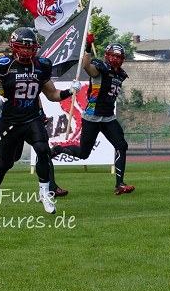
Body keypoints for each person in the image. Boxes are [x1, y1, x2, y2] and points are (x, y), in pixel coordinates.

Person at [0, 27, 80, 219]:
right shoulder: (4, 65)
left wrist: (69, 91)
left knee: (43, 150)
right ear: (14, 46)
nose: (26, 51)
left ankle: (45, 192)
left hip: (32, 118)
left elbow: (52, 95)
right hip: (10, 121)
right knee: (6, 164)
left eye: (30, 48)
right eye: (22, 47)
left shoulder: (41, 65)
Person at [52, 34, 135, 195]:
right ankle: (59, 149)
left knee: (121, 145)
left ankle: (119, 184)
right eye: (113, 56)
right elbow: (86, 66)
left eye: (119, 57)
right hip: (93, 115)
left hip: (109, 116)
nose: (116, 60)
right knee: (84, 154)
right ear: (107, 56)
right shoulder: (99, 68)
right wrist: (88, 48)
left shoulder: (121, 74)